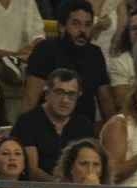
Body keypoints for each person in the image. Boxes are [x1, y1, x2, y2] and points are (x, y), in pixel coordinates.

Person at [26, 0, 115, 128]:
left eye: (88, 25)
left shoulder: (95, 54)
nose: (83, 31)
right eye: (76, 24)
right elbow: (31, 99)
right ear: (62, 27)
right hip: (49, 128)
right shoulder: (45, 50)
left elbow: (106, 100)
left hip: (84, 131)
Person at [11, 65, 94, 181]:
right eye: (59, 92)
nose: (65, 100)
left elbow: (92, 167)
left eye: (71, 94)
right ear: (47, 94)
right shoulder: (27, 121)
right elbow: (31, 170)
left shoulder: (85, 127)